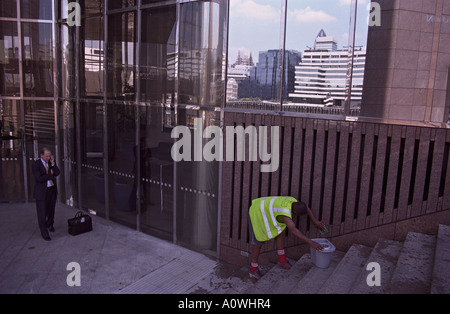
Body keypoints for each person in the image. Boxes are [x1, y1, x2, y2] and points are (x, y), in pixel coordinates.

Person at [248, 196, 326, 279]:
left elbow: (307, 208)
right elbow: (294, 230)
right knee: (258, 242)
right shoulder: (285, 214)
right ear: (294, 212)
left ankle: (282, 261)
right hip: (257, 212)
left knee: (279, 232)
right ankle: (253, 270)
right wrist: (311, 242)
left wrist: (315, 221)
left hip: (266, 208)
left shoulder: (293, 201)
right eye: (298, 215)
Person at [32, 147, 60, 241]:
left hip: (51, 190)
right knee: (42, 213)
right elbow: (38, 178)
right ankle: (44, 233)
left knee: (51, 210)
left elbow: (57, 172)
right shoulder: (36, 164)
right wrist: (49, 175)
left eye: (50, 156)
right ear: (42, 155)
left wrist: (53, 164)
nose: (49, 157)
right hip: (41, 192)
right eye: (47, 156)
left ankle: (50, 224)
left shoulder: (50, 163)